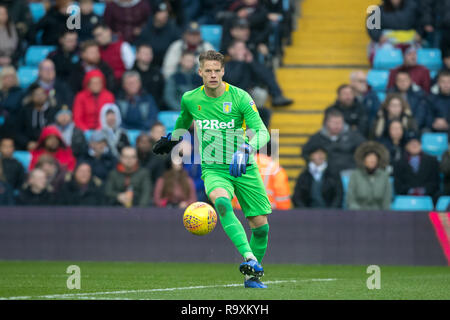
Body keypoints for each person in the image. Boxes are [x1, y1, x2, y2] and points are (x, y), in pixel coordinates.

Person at [153, 50, 271, 288]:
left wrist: (246, 149)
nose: (213, 75)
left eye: (217, 70)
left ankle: (252, 276)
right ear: (200, 72)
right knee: (222, 203)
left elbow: (263, 132)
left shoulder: (239, 97)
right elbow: (184, 120)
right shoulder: (190, 98)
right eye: (208, 70)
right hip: (214, 168)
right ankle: (249, 258)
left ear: (223, 72)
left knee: (261, 228)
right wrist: (173, 138)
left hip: (243, 166)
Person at [224, 40, 293, 107]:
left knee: (261, 94)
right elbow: (232, 79)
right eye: (239, 49)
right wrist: (240, 62)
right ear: (231, 50)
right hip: (233, 96)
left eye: (244, 48)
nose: (243, 51)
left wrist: (252, 62)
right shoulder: (226, 65)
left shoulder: (249, 63)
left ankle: (276, 96)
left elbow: (266, 75)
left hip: (249, 94)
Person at [302, 109, 366, 177]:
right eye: (334, 123)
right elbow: (305, 152)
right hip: (325, 176)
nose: (337, 125)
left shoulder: (353, 136)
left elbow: (365, 150)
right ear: (327, 122)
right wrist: (314, 163)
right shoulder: (317, 138)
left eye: (340, 122)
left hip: (349, 174)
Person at [393, 133, 440, 201]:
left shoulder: (432, 161)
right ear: (406, 146)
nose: (414, 145)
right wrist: (411, 191)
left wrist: (423, 190)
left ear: (421, 145)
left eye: (416, 143)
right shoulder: (399, 163)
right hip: (406, 199)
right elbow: (398, 185)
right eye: (411, 143)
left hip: (428, 198)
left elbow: (435, 183)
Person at [347, 141, 392, 210]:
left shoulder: (384, 176)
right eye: (369, 157)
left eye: (374, 158)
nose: (372, 160)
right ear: (363, 160)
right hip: (358, 214)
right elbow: (350, 199)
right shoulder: (355, 175)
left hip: (379, 214)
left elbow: (387, 200)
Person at [14, 84, 59, 151]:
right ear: (32, 97)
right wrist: (27, 143)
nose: (39, 97)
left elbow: (56, 130)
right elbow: (17, 131)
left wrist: (44, 143)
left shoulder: (53, 111)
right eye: (36, 94)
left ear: (46, 96)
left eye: (42, 94)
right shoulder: (25, 112)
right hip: (28, 147)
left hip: (49, 146)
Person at [136, 2, 181, 67]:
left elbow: (178, 46)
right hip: (149, 64)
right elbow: (139, 47)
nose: (165, 14)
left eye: (166, 12)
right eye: (161, 12)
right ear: (155, 14)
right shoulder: (146, 29)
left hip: (167, 64)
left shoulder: (173, 29)